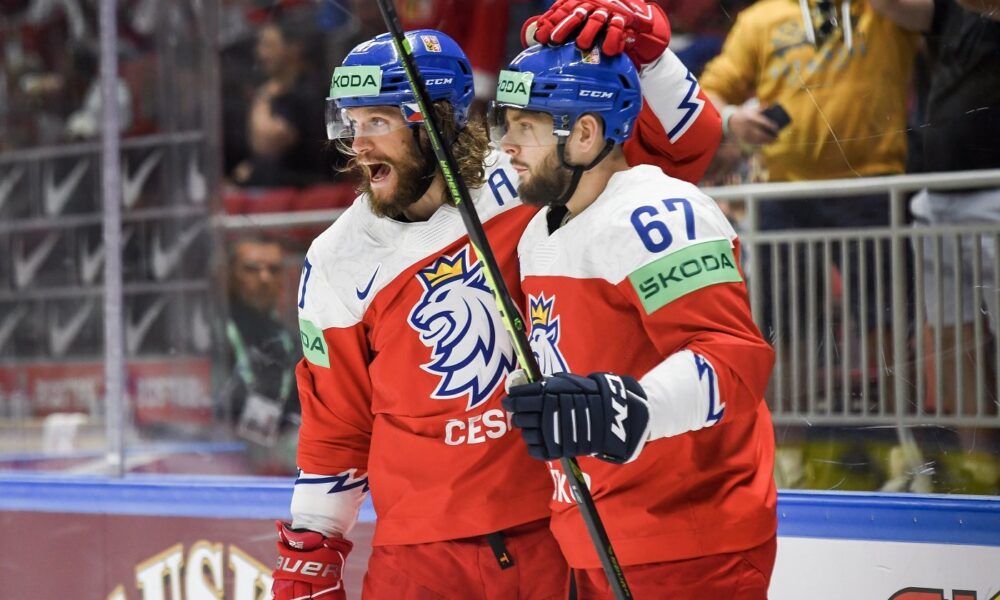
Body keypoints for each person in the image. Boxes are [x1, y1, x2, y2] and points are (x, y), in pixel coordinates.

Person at [271, 7, 723, 598]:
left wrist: (654, 60)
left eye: (377, 120)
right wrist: (313, 547)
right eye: (351, 122)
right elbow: (336, 424)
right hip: (419, 552)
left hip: (558, 523)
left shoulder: (532, 175)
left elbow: (689, 148)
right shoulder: (336, 258)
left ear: (436, 121)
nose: (357, 144)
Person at [495, 43, 777, 598]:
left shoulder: (659, 212)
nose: (507, 144)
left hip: (690, 539)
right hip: (592, 534)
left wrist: (626, 409)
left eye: (525, 126)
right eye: (506, 123)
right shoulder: (538, 232)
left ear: (584, 134)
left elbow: (733, 360)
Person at [698, 0, 920, 406]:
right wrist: (731, 118)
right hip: (784, 194)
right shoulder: (760, 19)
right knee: (786, 327)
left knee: (888, 323)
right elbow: (708, 91)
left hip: (872, 187)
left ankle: (903, 446)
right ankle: (790, 455)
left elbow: (929, 15)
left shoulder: (881, 8)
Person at [871, 0, 1000, 493]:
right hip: (939, 196)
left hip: (992, 190)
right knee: (950, 339)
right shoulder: (953, 13)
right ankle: (979, 468)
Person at [223, 236, 300, 473]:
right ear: (231, 276)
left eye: (274, 270)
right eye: (252, 269)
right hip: (225, 458)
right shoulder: (213, 332)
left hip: (279, 456)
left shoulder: (291, 339)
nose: (264, 278)